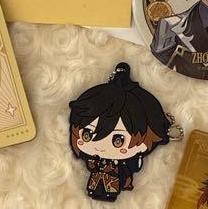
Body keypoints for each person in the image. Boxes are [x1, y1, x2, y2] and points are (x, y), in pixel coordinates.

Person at [68, 62, 172, 201]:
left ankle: (109, 193)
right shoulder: (94, 158)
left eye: (118, 140)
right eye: (87, 135)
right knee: (95, 185)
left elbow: (133, 167)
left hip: (113, 179)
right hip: (97, 177)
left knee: (110, 187)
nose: (100, 146)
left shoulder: (128, 161)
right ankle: (95, 191)